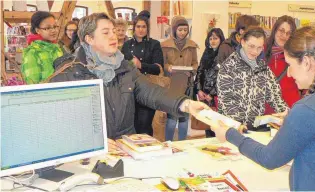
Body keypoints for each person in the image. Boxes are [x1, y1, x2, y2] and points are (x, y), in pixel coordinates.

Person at [212, 26, 315, 191]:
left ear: (306, 62)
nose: (288, 74)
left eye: (289, 64)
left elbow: (269, 158)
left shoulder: (308, 109)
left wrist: (229, 134)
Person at [48, 13, 208, 151]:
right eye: (106, 32)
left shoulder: (124, 67)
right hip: (91, 153)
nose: (113, 36)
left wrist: (186, 104)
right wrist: (90, 141)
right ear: (89, 39)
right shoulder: (71, 73)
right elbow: (57, 123)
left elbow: (151, 91)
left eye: (113, 31)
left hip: (125, 147)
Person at [217, 26, 288, 131]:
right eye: (251, 46)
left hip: (255, 128)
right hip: (232, 127)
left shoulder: (262, 67)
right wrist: (237, 125)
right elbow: (226, 100)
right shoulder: (228, 66)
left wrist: (287, 115)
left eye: (259, 47)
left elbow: (274, 95)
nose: (255, 51)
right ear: (242, 42)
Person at [121, 12, 164, 136]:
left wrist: (141, 65)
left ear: (147, 28)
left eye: (143, 26)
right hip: (130, 89)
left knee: (144, 125)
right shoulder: (127, 45)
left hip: (147, 89)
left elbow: (158, 68)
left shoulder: (154, 44)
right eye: (138, 26)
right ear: (134, 28)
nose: (141, 29)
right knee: (131, 124)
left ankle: (147, 150)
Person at [161, 16, 199, 141]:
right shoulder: (165, 45)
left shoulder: (192, 46)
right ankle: (168, 143)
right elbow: (162, 64)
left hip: (186, 85)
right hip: (171, 84)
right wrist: (168, 67)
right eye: (180, 30)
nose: (183, 32)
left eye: (185, 30)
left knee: (184, 117)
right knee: (171, 118)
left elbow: (195, 63)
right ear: (174, 30)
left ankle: (183, 144)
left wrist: (192, 70)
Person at [264, 15, 301, 114]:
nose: (284, 36)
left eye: (288, 33)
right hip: (265, 112)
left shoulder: (297, 55)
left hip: (290, 110)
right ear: (275, 30)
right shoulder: (260, 51)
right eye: (281, 30)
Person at [194, 28, 225, 137]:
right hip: (204, 95)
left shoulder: (223, 54)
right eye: (210, 38)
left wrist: (212, 94)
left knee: (217, 126)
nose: (213, 41)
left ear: (221, 39)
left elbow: (223, 77)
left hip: (216, 96)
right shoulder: (206, 52)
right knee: (207, 124)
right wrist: (198, 90)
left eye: (215, 38)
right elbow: (199, 71)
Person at [21, 11, 63, 84]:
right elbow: (33, 84)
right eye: (48, 28)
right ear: (37, 30)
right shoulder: (32, 53)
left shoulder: (57, 48)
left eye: (55, 26)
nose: (53, 30)